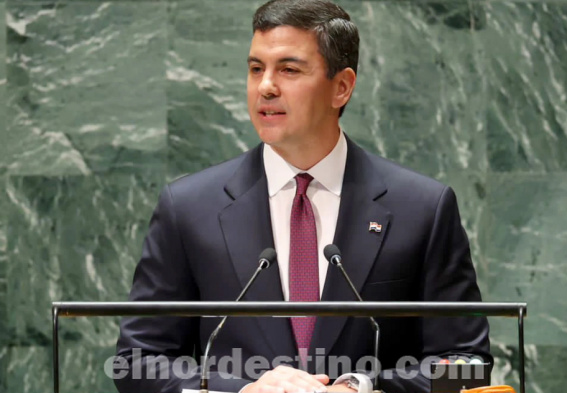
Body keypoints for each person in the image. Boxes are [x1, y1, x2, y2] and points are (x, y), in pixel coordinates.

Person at [115, 1, 491, 392]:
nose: (266, 87)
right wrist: (242, 390)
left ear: (341, 87)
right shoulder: (190, 207)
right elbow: (137, 362)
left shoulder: (423, 209)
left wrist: (359, 387)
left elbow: (469, 364)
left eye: (289, 70)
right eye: (256, 68)